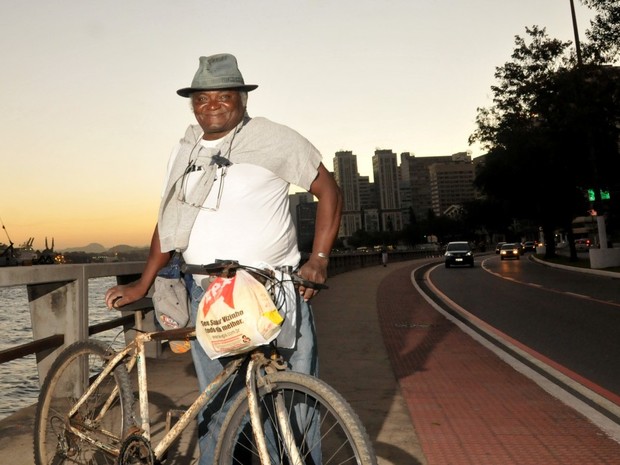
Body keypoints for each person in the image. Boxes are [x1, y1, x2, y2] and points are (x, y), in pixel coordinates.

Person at [104, 53, 342, 464]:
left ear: (243, 99)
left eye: (222, 95)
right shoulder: (185, 150)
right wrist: (142, 283)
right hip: (206, 292)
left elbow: (330, 191)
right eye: (201, 98)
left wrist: (318, 258)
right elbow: (169, 221)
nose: (211, 105)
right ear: (192, 104)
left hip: (275, 290)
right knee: (218, 406)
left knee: (296, 397)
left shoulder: (275, 138)